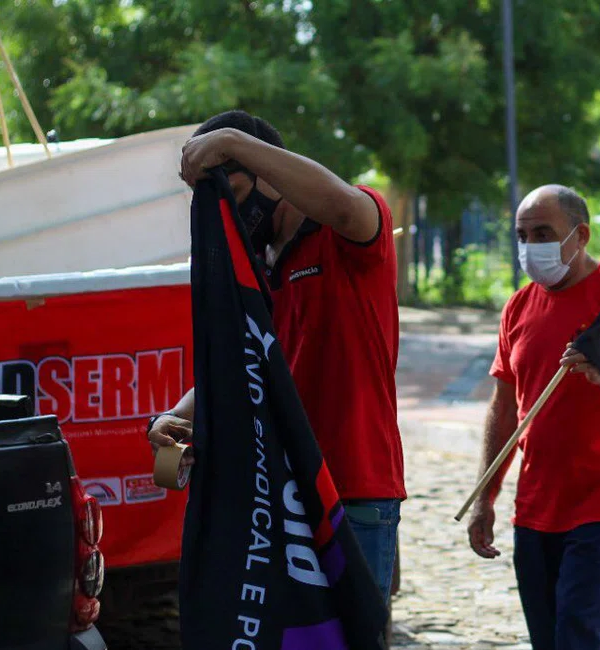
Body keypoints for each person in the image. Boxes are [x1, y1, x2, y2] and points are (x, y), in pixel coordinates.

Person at [147, 110, 405, 603]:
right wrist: (174, 417)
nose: (229, 212)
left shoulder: (346, 232)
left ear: (271, 172)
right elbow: (245, 365)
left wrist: (231, 141)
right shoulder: (257, 270)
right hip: (278, 498)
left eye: (236, 193)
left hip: (351, 489)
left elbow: (348, 208)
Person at [466, 185, 600, 650]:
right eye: (522, 235)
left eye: (543, 233)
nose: (530, 246)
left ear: (581, 235)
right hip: (535, 506)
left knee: (581, 637)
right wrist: (484, 496)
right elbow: (504, 407)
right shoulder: (519, 306)